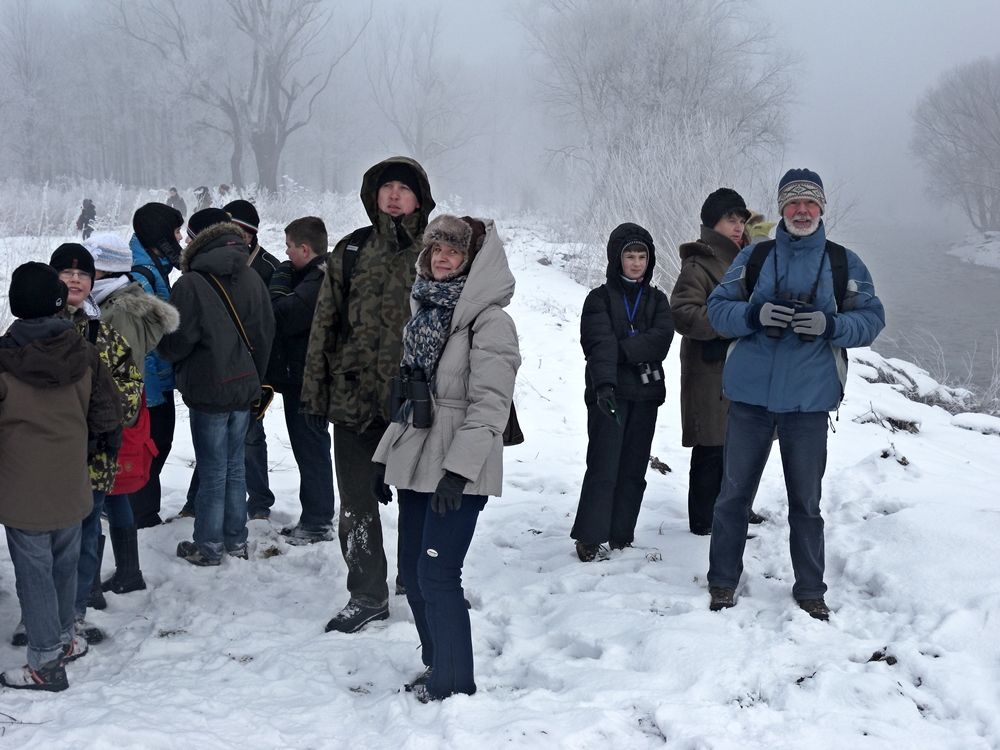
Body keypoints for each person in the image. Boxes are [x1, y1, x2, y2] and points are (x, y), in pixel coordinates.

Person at [705, 168, 885, 620]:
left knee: (806, 503)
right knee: (732, 496)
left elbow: (872, 319)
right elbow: (717, 311)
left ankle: (810, 588)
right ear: (782, 208)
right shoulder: (756, 258)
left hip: (808, 401)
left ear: (822, 208)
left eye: (810, 203)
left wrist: (832, 325)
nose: (802, 211)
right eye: (793, 203)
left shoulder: (844, 262)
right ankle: (723, 582)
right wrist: (755, 314)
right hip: (750, 398)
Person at [372, 214, 520, 702]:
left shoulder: (490, 321)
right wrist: (381, 460)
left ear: (473, 263)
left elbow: (490, 406)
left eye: (454, 251)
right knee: (413, 573)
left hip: (460, 467)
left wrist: (458, 472)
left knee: (437, 574)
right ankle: (440, 664)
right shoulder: (427, 312)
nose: (441, 258)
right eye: (436, 249)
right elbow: (413, 397)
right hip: (418, 459)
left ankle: (454, 687)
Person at [300, 157, 434, 633]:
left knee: (419, 497)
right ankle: (367, 593)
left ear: (421, 198)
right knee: (356, 501)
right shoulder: (352, 249)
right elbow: (325, 326)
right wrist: (315, 396)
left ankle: (416, 579)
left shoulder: (436, 250)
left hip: (418, 403)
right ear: (372, 195)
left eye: (404, 188)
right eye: (386, 187)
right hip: (355, 400)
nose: (394, 195)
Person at [0, 263, 122, 691]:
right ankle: (66, 639)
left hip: (21, 489)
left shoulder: (3, 357)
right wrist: (98, 448)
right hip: (72, 481)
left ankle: (45, 663)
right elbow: (109, 412)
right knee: (64, 566)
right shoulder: (84, 351)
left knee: (33, 575)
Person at [156, 208, 274, 566]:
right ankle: (236, 541)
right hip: (244, 388)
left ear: (196, 242)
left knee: (211, 468)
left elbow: (176, 343)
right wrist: (255, 376)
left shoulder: (189, 284)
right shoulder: (252, 276)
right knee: (235, 466)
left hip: (208, 390)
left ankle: (208, 545)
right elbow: (265, 333)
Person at [49, 244, 142, 645]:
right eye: (66, 273)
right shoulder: (34, 330)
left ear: (93, 283)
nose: (74, 280)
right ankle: (38, 615)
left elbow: (131, 389)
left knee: (87, 537)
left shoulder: (103, 334)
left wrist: (98, 420)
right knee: (44, 542)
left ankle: (74, 613)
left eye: (83, 275)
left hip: (94, 461)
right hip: (45, 463)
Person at [82, 233, 180, 597]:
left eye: (92, 264)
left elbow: (114, 366)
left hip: (112, 409)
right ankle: (128, 572)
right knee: (112, 492)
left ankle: (97, 582)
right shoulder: (116, 299)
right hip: (118, 405)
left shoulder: (120, 309)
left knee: (102, 492)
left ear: (107, 266)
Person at [570, 223, 674, 561]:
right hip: (609, 393)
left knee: (633, 469)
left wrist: (623, 350)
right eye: (629, 255)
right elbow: (598, 344)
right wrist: (606, 383)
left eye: (642, 256)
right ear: (617, 258)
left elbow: (661, 339)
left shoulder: (658, 300)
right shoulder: (598, 299)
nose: (636, 262)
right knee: (604, 464)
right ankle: (589, 536)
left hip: (645, 395)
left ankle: (620, 534)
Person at [671, 188, 767, 535]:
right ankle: (702, 523)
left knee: (741, 446)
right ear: (713, 223)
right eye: (731, 219)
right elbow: (682, 314)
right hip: (710, 371)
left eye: (742, 220)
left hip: (744, 368)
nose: (738, 226)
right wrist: (732, 321)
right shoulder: (699, 264)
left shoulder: (748, 259)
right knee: (711, 448)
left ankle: (736, 509)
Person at [180, 199, 280, 520]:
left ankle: (259, 504)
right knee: (216, 456)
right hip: (222, 378)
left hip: (248, 378)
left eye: (241, 231)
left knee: (247, 445)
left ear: (250, 235)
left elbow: (267, 328)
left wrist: (260, 378)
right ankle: (198, 508)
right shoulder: (203, 271)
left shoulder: (266, 268)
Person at [266, 217, 335, 541]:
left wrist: (279, 281)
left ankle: (318, 521)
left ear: (304, 249)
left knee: (311, 449)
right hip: (306, 378)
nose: (286, 253)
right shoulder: (312, 274)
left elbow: (284, 314)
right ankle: (314, 516)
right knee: (310, 448)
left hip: (311, 382)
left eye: (290, 247)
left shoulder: (318, 278)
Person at [129, 202, 185, 528]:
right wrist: (151, 396)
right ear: (161, 239)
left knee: (160, 445)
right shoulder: (141, 276)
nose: (181, 239)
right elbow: (143, 346)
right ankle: (142, 516)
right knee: (150, 448)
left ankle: (137, 507)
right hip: (150, 390)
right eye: (177, 232)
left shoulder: (157, 269)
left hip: (161, 384)